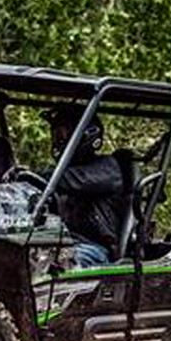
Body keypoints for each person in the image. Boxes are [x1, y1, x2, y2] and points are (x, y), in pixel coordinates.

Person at [45, 103, 124, 267]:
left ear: (85, 136)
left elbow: (73, 180)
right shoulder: (65, 172)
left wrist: (35, 176)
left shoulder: (107, 168)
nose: (57, 142)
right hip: (63, 242)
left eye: (63, 135)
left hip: (93, 248)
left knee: (57, 264)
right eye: (56, 135)